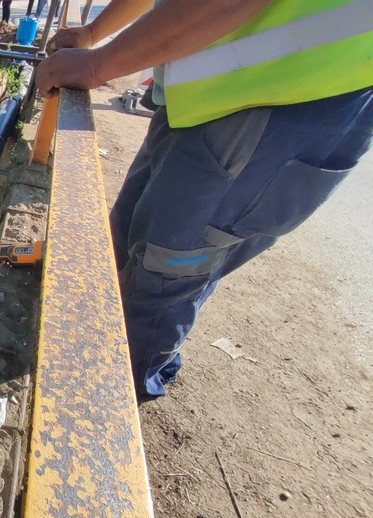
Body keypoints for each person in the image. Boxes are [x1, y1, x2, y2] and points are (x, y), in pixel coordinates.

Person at [35, 0, 373, 401]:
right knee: (128, 242)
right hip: (207, 99)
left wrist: (97, 65)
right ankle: (118, 357)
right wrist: (95, 33)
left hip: (281, 109)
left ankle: (110, 398)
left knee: (164, 276)